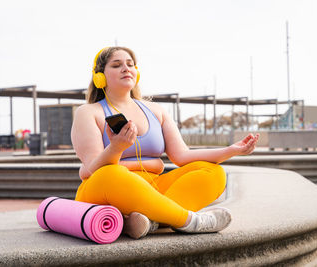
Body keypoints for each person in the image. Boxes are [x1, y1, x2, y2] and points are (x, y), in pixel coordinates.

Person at [71, 46, 259, 239]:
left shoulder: (156, 110)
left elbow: (182, 156)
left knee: (214, 171)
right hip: (105, 188)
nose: (126, 69)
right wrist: (118, 148)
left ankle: (148, 220)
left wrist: (231, 150)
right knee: (111, 173)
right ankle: (190, 221)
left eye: (130, 64)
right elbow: (93, 169)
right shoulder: (88, 112)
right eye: (117, 65)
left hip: (154, 186)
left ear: (137, 73)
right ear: (100, 76)